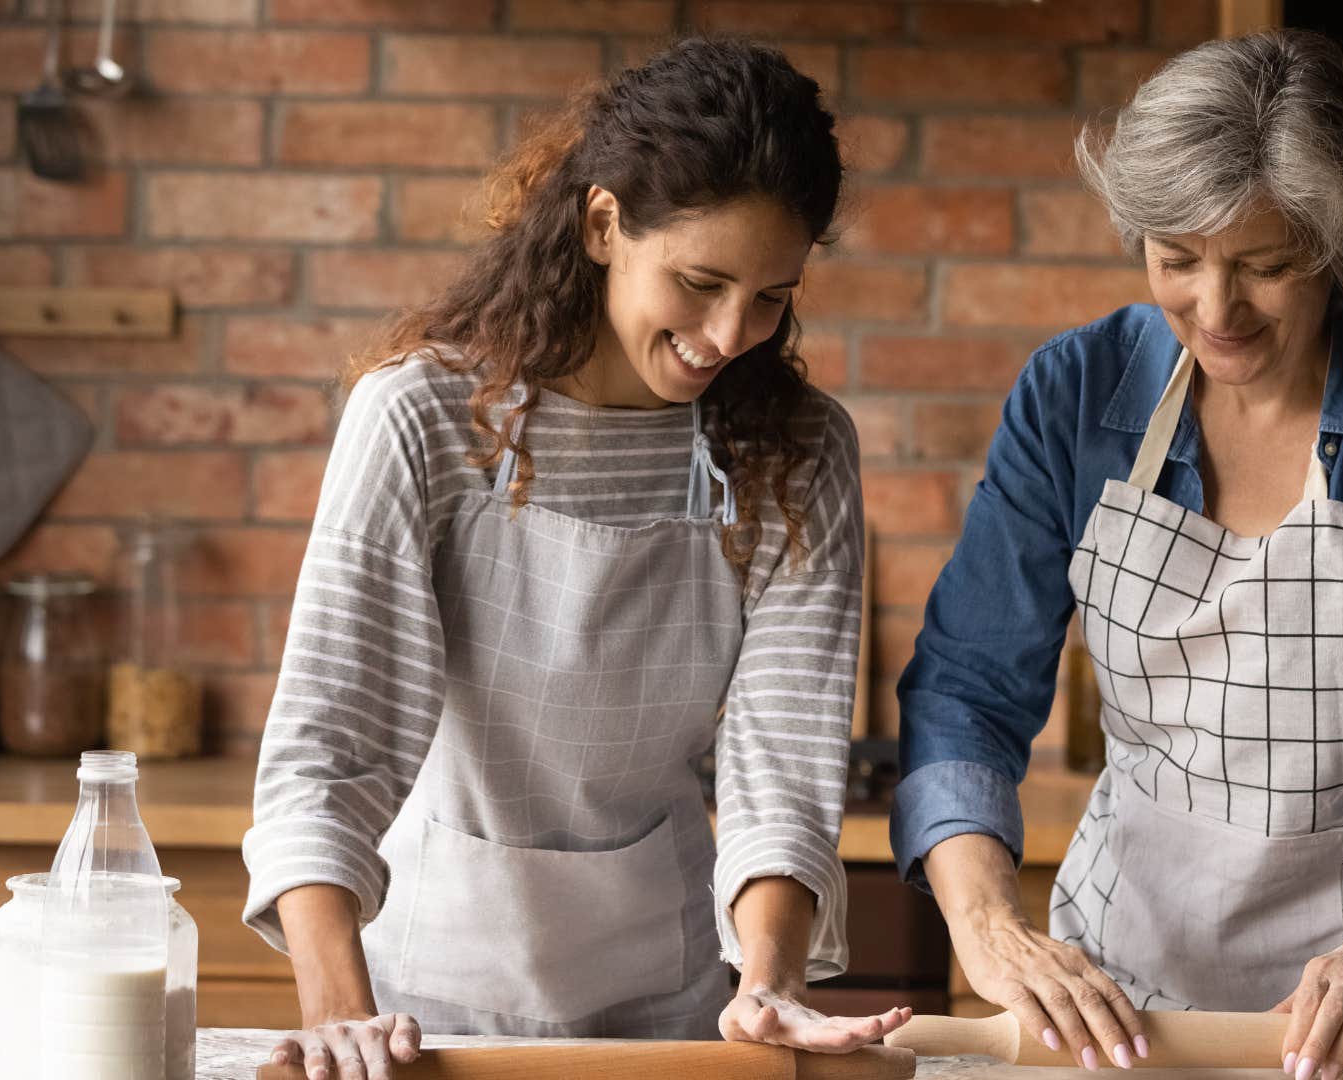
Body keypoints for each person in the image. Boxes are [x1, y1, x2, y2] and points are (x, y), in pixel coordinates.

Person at [890, 29, 1343, 1076]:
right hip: (1123, 1008)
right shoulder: (1076, 397)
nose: (1215, 310)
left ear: (1335, 251)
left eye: (1265, 267)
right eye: (1176, 260)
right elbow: (967, 686)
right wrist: (989, 929)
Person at [241, 38, 906, 1080]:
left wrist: (767, 983)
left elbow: (782, 757)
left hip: (677, 1017)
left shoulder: (799, 448)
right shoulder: (424, 419)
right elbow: (330, 753)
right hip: (421, 1018)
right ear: (604, 226)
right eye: (700, 282)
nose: (732, 333)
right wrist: (339, 1018)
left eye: (772, 296)